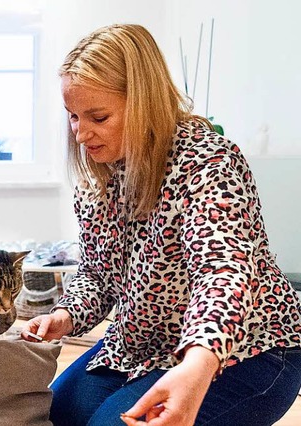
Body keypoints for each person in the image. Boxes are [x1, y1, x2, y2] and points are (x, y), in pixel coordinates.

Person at [22, 23, 301, 426]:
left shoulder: (208, 162)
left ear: (144, 102)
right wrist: (64, 317)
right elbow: (98, 275)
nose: (81, 134)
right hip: (145, 345)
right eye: (73, 117)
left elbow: (222, 271)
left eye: (98, 117)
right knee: (59, 413)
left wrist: (196, 366)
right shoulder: (98, 176)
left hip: (248, 349)